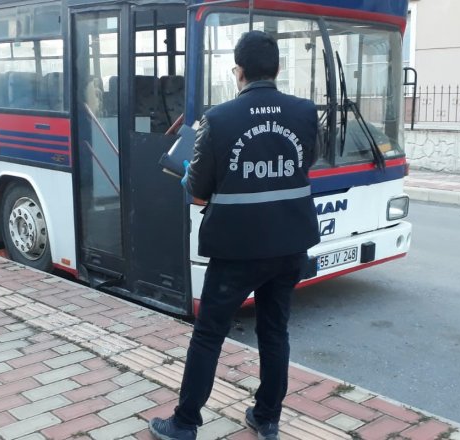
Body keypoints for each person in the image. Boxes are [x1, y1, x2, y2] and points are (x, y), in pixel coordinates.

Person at [149, 30, 320, 440]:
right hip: (289, 245)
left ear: (238, 72)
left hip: (237, 251)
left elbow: (199, 193)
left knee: (209, 335)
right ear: (276, 69)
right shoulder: (305, 112)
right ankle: (266, 418)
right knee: (275, 332)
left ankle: (185, 423)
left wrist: (187, 174)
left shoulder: (220, 119)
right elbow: (302, 165)